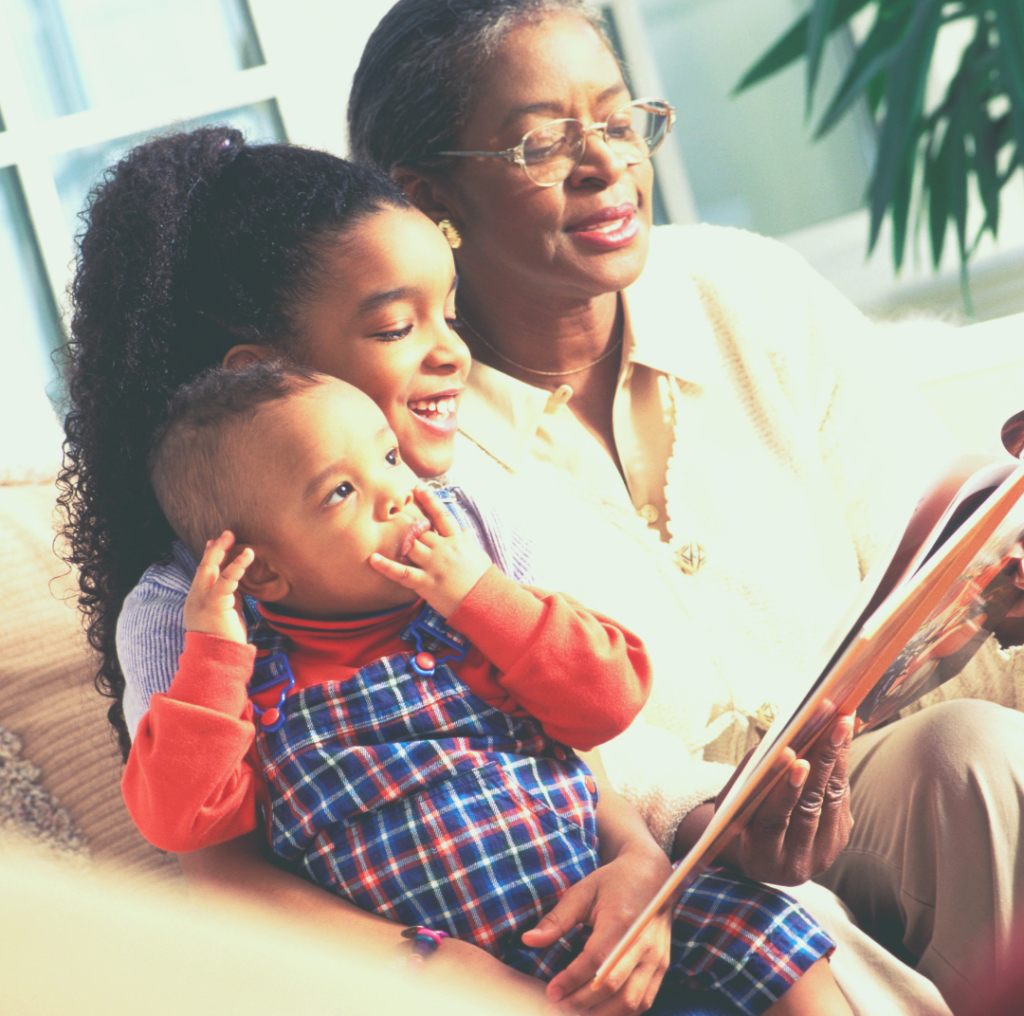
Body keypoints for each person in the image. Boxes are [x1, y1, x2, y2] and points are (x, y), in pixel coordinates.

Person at [59, 128, 856, 1016]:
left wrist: (637, 865)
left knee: (779, 935)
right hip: (405, 963)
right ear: (266, 371)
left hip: (585, 886)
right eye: (399, 326)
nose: (453, 352)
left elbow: (573, 734)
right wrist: (434, 971)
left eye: (450, 311)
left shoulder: (463, 517)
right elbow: (212, 859)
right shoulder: (192, 609)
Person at [345, 0, 1024, 1014]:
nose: (606, 163)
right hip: (651, 859)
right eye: (540, 144)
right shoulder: (402, 441)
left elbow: (933, 541)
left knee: (972, 751)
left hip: (874, 783)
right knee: (777, 922)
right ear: (427, 196)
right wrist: (701, 814)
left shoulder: (747, 292)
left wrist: (1003, 589)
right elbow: (495, 728)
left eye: (620, 122)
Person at [123, 361, 849, 1016]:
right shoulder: (244, 683)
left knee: (772, 934)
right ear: (263, 574)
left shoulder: (473, 615)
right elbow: (179, 821)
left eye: (387, 456)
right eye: (341, 492)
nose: (397, 493)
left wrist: (481, 595)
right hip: (440, 972)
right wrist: (214, 654)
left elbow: (610, 698)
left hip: (588, 895)